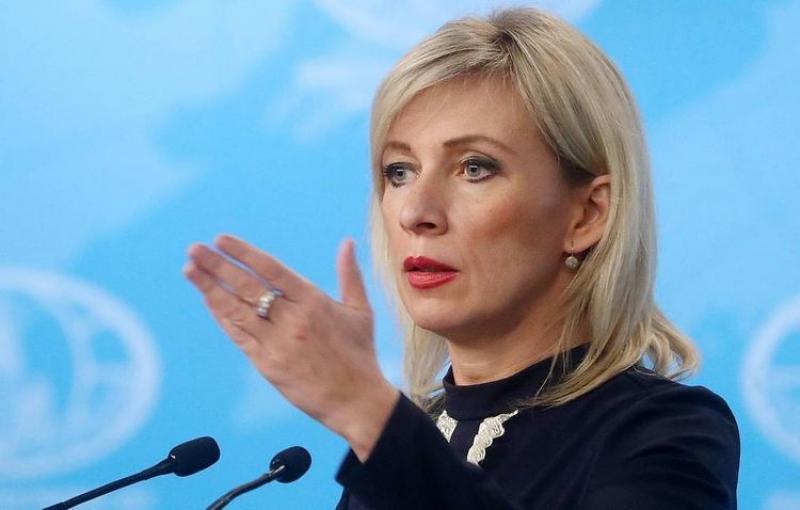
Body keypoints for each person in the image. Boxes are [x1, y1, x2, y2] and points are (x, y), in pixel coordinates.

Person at [184, 7, 739, 510]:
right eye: (400, 171)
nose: (415, 212)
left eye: (475, 168)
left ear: (587, 215)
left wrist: (366, 411)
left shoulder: (665, 433)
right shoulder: (408, 441)